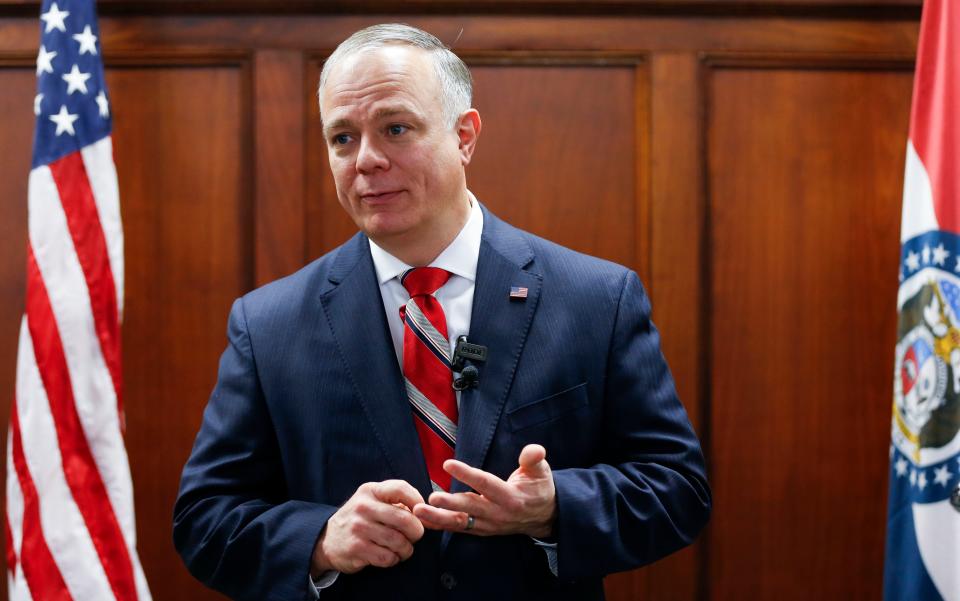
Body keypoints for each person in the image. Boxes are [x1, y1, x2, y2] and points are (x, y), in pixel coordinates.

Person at [173, 23, 710, 601]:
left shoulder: (595, 298)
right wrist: (322, 539)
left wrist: (553, 508)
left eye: (395, 129)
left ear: (465, 136)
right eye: (342, 138)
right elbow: (205, 521)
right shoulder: (268, 323)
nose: (367, 160)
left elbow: (677, 489)